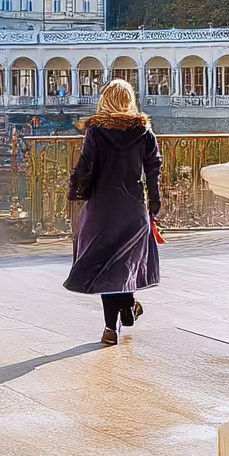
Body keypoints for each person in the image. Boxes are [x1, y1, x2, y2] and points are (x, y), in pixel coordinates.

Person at [64, 79, 163, 345]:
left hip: (102, 207)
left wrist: (77, 195)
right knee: (126, 261)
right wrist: (154, 203)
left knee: (107, 265)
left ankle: (111, 328)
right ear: (130, 100)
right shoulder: (144, 131)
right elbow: (153, 169)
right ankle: (128, 308)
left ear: (105, 100)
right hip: (132, 207)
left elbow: (86, 167)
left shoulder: (95, 132)